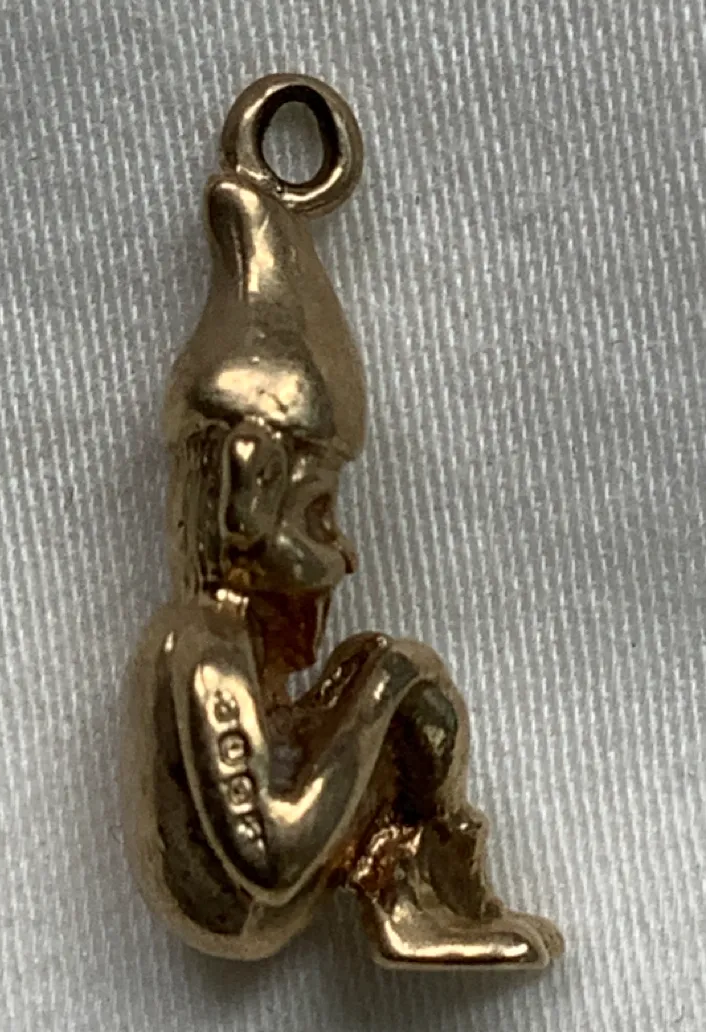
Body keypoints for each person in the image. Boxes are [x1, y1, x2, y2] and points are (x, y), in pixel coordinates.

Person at [122, 172, 563, 968]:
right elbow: (274, 856)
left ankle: (411, 898)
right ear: (249, 506)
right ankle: (410, 899)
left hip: (271, 875)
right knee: (393, 672)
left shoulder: (224, 645)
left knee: (391, 669)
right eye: (318, 515)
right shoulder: (202, 653)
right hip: (247, 907)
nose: (345, 554)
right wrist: (373, 701)